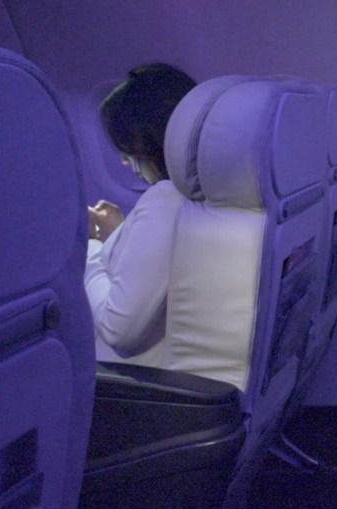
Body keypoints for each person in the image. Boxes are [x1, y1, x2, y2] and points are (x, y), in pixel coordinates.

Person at [85, 63, 196, 365]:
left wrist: (89, 248)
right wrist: (118, 234)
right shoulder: (203, 192)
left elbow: (118, 329)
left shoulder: (167, 201)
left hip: (136, 383)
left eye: (128, 147)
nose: (124, 161)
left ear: (152, 140)